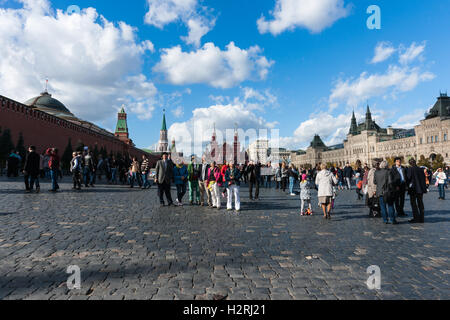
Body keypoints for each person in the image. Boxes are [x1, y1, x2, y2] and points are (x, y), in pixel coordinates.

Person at [407, 158, 427, 223]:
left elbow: (408, 178)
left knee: (413, 204)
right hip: (420, 189)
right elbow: (424, 178)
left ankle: (416, 218)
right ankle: (422, 218)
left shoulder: (410, 169)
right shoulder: (420, 169)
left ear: (410, 163)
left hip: (413, 189)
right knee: (420, 203)